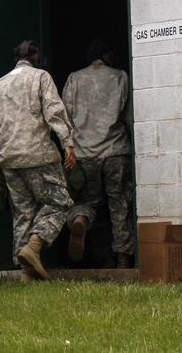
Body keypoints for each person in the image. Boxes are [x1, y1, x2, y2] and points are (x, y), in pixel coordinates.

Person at [0, 40, 78, 281]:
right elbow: (54, 111)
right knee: (60, 203)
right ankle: (34, 246)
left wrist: (10, 138)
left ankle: (26, 272)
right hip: (39, 155)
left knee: (23, 212)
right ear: (36, 56)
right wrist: (67, 141)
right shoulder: (41, 77)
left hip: (8, 159)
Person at [61, 38, 135, 268]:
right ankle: (123, 256)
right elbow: (129, 117)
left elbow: (64, 118)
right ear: (108, 55)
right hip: (115, 152)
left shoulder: (74, 79)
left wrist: (69, 145)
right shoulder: (120, 77)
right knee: (119, 204)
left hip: (84, 154)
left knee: (91, 204)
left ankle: (102, 254)